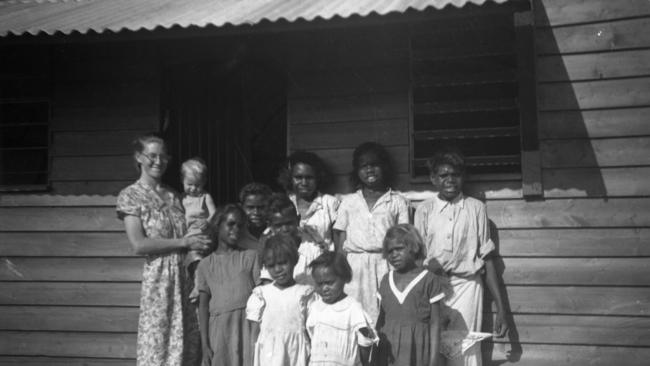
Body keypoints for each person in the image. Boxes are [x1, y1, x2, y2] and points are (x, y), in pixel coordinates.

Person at [116, 133, 209, 366]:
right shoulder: (131, 195)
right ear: (138, 157)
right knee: (159, 341)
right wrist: (183, 243)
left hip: (186, 275)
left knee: (188, 341)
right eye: (152, 156)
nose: (159, 161)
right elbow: (139, 244)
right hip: (159, 280)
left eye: (163, 156)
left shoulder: (176, 195)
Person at [414, 151, 508, 366]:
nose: (449, 180)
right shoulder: (424, 210)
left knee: (465, 348)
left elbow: (487, 259)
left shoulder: (476, 208)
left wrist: (501, 310)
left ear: (463, 177)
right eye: (443, 175)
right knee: (434, 346)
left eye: (455, 174)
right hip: (433, 285)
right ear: (433, 179)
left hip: (467, 286)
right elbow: (418, 256)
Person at [333, 142, 410, 324]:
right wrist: (339, 270)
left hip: (386, 264)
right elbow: (341, 241)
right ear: (356, 171)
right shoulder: (349, 202)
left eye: (375, 165)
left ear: (384, 167)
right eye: (364, 166)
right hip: (355, 266)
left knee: (386, 316)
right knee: (356, 318)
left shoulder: (397, 201)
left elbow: (404, 238)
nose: (370, 170)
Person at [196, 204, 261, 366]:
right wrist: (204, 345)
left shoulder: (250, 257)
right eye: (231, 224)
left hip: (246, 327)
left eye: (240, 225)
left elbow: (261, 296)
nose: (236, 229)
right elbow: (203, 307)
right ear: (218, 225)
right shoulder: (205, 265)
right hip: (220, 331)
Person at [376, 224, 444, 366]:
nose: (394, 254)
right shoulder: (385, 280)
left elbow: (435, 324)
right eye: (390, 251)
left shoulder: (429, 279)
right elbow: (380, 321)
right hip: (390, 351)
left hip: (418, 350)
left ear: (413, 248)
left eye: (399, 249)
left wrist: (433, 361)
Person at [246, 233, 316, 366]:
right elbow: (253, 335)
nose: (278, 269)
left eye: (283, 263)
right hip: (269, 356)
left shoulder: (305, 294)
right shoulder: (261, 295)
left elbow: (312, 331)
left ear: (294, 260)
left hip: (296, 355)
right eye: (271, 266)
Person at [307, 251, 378, 366]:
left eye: (329, 283)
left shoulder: (352, 308)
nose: (324, 288)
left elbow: (365, 343)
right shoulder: (315, 307)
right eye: (319, 284)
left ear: (344, 278)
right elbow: (312, 340)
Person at [260, 193, 326, 285]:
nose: (285, 229)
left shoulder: (313, 247)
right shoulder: (269, 250)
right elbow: (267, 282)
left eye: (289, 223)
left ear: (298, 220)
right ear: (270, 226)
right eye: (279, 225)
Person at [278, 150, 340, 250]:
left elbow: (338, 243)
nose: (304, 183)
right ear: (290, 178)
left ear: (318, 178)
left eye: (309, 178)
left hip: (322, 262)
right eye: (298, 177)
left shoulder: (330, 203)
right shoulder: (284, 203)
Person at [181, 157, 217, 303]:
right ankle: (195, 284)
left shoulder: (205, 197)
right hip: (188, 237)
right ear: (182, 181)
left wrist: (207, 222)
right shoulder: (181, 198)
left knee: (197, 258)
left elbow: (215, 213)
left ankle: (198, 286)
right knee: (190, 261)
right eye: (189, 184)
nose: (194, 188)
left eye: (198, 185)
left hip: (203, 234)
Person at [238, 182, 273, 250]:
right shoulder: (237, 235)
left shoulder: (277, 233)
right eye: (250, 208)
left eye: (261, 207)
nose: (256, 212)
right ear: (242, 208)